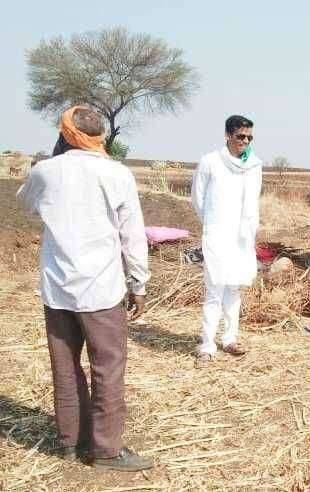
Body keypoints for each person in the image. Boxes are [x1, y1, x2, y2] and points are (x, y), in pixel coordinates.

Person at [17, 106, 152, 471]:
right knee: (107, 367)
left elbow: (26, 204)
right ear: (100, 138)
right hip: (101, 289)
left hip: (57, 289)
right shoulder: (116, 174)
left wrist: (54, 161)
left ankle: (69, 443)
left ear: (63, 134)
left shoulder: (44, 171)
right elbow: (132, 234)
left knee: (65, 366)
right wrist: (138, 282)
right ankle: (106, 451)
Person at [192, 115, 263, 361]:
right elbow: (198, 200)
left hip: (242, 237)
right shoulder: (210, 162)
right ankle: (207, 344)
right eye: (240, 136)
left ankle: (230, 338)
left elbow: (254, 200)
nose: (245, 141)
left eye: (249, 137)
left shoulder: (254, 165)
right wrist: (213, 224)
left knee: (234, 288)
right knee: (214, 289)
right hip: (217, 234)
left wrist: (247, 228)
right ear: (227, 135)